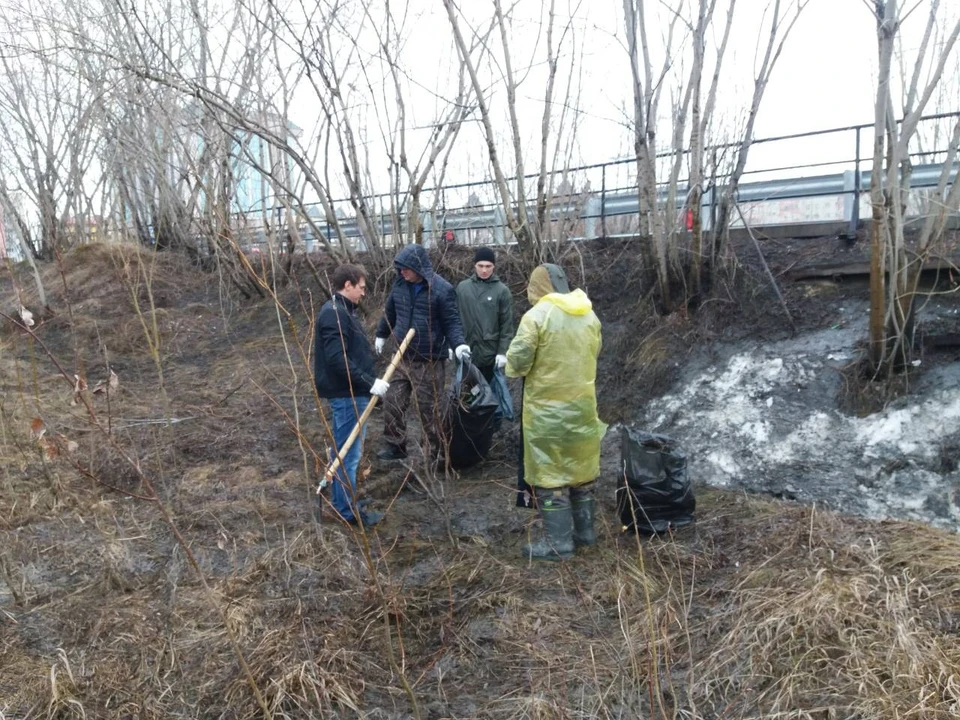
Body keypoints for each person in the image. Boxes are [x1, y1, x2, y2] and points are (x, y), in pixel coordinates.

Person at [506, 263, 607, 560]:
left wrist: (511, 364)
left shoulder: (537, 316)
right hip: (583, 408)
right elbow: (595, 351)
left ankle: (559, 544)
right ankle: (586, 534)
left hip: (547, 414)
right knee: (581, 471)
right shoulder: (589, 314)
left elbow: (518, 363)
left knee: (551, 476)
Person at [375, 244, 470, 462]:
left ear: (417, 267)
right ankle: (396, 445)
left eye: (405, 268)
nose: (402, 272)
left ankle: (437, 453)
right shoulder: (399, 284)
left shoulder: (441, 289)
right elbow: (390, 310)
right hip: (401, 356)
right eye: (399, 269)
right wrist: (382, 333)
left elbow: (452, 322)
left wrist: (458, 344)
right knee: (392, 401)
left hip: (429, 359)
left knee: (431, 410)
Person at [314, 264, 391, 528]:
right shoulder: (333, 315)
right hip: (347, 394)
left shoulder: (343, 312)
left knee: (348, 452)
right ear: (347, 285)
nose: (363, 292)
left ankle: (343, 502)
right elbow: (337, 359)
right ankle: (346, 512)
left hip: (353, 392)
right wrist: (370, 383)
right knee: (348, 454)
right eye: (361, 287)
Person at [455, 246, 513, 383]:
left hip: (489, 355)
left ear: (494, 266)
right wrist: (452, 344)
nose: (484, 270)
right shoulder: (463, 288)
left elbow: (506, 325)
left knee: (489, 397)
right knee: (465, 396)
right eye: (480, 266)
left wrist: (502, 352)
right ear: (475, 265)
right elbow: (454, 318)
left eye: (488, 266)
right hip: (466, 351)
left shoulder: (501, 291)